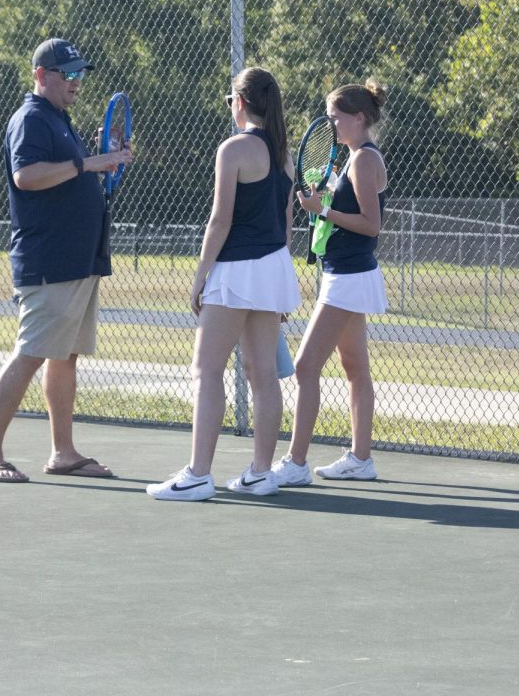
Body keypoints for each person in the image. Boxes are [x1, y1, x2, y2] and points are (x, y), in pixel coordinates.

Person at [0, 38, 132, 483]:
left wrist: (100, 160)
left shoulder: (61, 120)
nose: (76, 82)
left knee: (66, 356)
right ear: (40, 75)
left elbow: (76, 174)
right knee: (32, 353)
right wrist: (88, 164)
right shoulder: (32, 120)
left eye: (79, 74)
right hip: (49, 261)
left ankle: (63, 452)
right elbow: (27, 176)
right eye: (67, 74)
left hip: (80, 261)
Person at [147, 67, 301, 501]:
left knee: (206, 369)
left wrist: (200, 277)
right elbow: (286, 223)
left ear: (239, 102)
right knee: (263, 373)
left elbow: (220, 220)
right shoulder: (285, 155)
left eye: (230, 101)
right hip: (272, 267)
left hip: (236, 271)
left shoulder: (233, 149)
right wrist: (277, 280)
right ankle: (260, 473)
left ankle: (198, 475)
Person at [272, 81, 389, 485]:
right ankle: (360, 458)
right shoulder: (354, 158)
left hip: (349, 277)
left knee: (305, 367)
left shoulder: (363, 160)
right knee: (355, 367)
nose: (330, 123)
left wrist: (323, 209)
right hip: (343, 272)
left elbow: (371, 226)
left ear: (359, 117)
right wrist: (322, 205)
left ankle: (295, 462)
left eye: (335, 116)